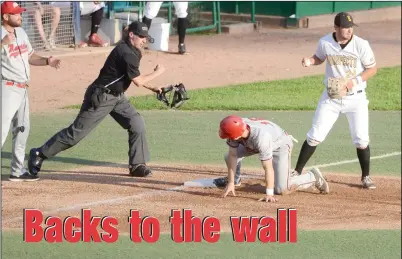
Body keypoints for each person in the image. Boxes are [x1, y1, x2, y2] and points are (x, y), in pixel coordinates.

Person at [28, 21, 166, 179]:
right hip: (101, 97)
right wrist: (158, 72)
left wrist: (154, 87)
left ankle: (137, 165)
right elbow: (138, 81)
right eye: (141, 36)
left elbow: (131, 77)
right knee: (75, 134)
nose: (144, 40)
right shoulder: (126, 52)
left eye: (146, 37)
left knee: (136, 123)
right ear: (131, 35)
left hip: (117, 97)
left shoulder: (133, 51)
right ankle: (39, 153)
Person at [291, 12, 378, 190]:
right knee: (315, 135)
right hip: (331, 98)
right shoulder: (325, 42)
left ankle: (366, 177)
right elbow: (319, 58)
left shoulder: (361, 45)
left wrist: (352, 83)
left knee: (361, 139)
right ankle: (297, 172)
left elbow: (372, 69)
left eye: (351, 27)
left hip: (356, 98)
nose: (349, 31)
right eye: (345, 27)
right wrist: (310, 61)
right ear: (336, 28)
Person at [1, 1, 61, 181]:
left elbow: (30, 56)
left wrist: (46, 61)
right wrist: (2, 43)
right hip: (6, 87)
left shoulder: (21, 32)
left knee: (22, 130)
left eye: (20, 12)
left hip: (23, 88)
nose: (20, 15)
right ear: (5, 17)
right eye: (16, 13)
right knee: (1, 131)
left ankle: (17, 171)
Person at [214, 115, 329, 202]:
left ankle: (312, 177)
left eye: (227, 136)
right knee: (228, 156)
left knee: (282, 189)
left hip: (280, 145)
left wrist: (269, 193)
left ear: (236, 135)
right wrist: (231, 182)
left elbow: (268, 168)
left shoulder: (261, 138)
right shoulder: (238, 127)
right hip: (252, 143)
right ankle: (236, 180)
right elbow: (233, 155)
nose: (226, 137)